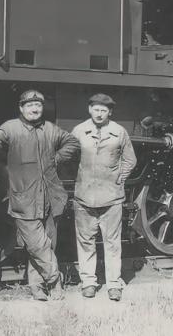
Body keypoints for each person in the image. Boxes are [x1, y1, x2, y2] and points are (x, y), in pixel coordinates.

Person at [0, 89, 78, 301]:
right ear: (21, 108)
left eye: (38, 105)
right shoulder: (11, 128)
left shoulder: (50, 129)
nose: (35, 109)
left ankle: (36, 286)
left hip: (51, 197)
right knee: (37, 245)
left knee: (47, 245)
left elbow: (72, 142)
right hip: (24, 199)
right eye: (30, 105)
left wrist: (58, 158)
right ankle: (55, 282)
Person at [57, 93, 136, 302]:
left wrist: (120, 178)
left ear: (110, 112)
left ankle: (114, 285)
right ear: (89, 110)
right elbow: (68, 156)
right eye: (96, 109)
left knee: (112, 243)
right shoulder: (79, 131)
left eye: (103, 110)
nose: (99, 114)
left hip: (111, 198)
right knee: (85, 241)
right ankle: (89, 283)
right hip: (84, 197)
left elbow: (130, 160)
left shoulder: (119, 132)